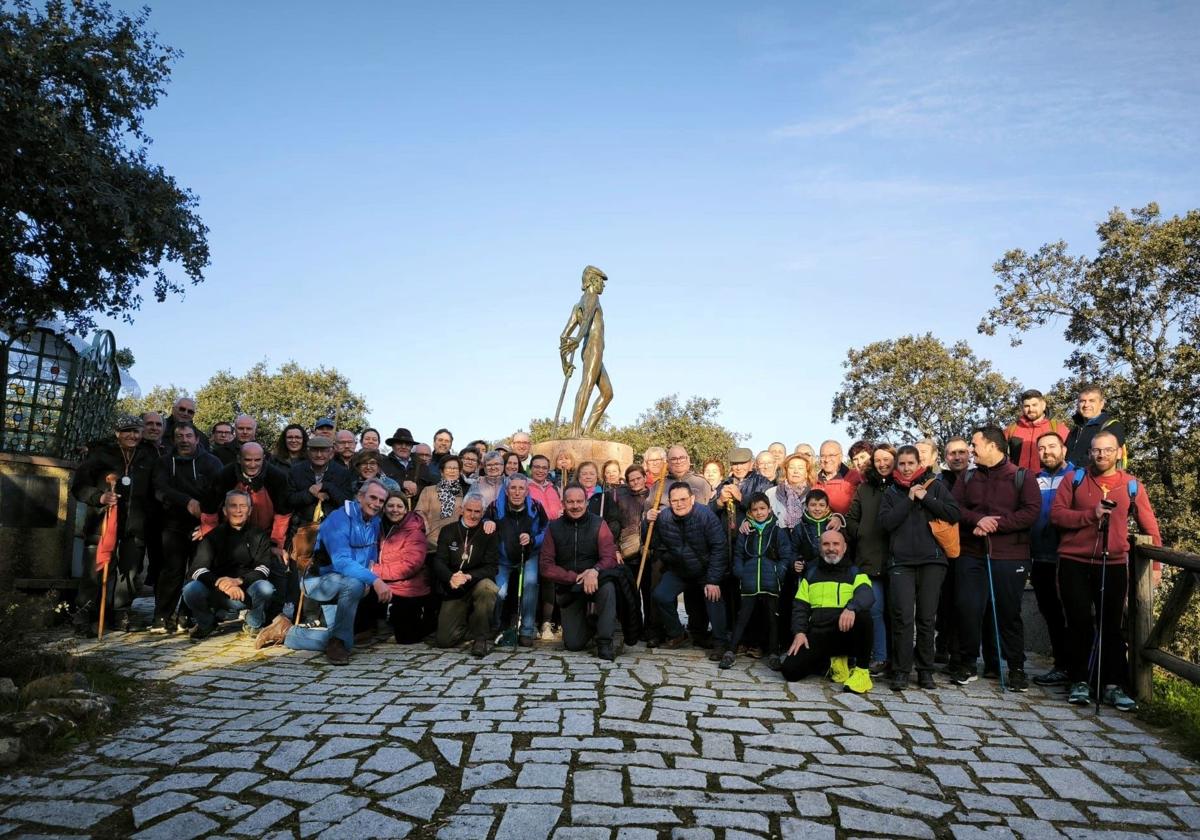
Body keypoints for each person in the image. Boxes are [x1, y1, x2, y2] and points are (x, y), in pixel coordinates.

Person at [1051, 431, 1160, 710]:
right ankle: (1079, 681)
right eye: (1097, 450)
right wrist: (1091, 515)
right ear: (1089, 453)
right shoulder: (1073, 480)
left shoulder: (1132, 485)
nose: (1102, 455)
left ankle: (1114, 685)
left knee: (1111, 626)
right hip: (1074, 562)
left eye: (1108, 450)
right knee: (1078, 623)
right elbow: (1058, 515)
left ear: (1119, 452)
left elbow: (1150, 528)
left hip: (1112, 563)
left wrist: (1156, 567)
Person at [255, 480, 390, 665]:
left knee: (347, 635)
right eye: (372, 497)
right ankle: (339, 643)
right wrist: (373, 580)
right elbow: (341, 562)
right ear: (360, 496)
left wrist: (367, 577)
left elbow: (371, 554)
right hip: (318, 580)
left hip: (346, 585)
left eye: (381, 501)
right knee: (353, 590)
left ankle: (287, 632)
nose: (376, 504)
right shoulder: (339, 518)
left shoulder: (375, 521)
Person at [947, 425, 1041, 690]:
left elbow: (1031, 512)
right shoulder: (967, 477)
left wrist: (995, 524)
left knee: (1008, 612)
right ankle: (967, 662)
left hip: (1010, 555)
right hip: (972, 554)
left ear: (992, 445)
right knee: (967, 607)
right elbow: (955, 508)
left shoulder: (1022, 476)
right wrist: (978, 519)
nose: (971, 450)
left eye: (975, 445)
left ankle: (1016, 667)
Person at [878, 445, 960, 691]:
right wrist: (909, 499)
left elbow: (954, 513)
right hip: (900, 562)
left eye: (910, 463)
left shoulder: (935, 486)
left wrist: (926, 498)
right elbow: (886, 523)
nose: (905, 468)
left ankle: (925, 671)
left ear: (918, 464)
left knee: (926, 618)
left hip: (932, 561)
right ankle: (902, 671)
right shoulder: (891, 492)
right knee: (902, 618)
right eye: (901, 464)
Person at [71, 414, 159, 636]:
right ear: (117, 433)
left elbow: (155, 489)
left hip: (136, 524)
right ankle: (84, 615)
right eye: (127, 430)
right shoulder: (100, 455)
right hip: (102, 523)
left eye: (136, 431)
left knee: (129, 573)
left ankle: (120, 613)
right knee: (96, 571)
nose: (132, 435)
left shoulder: (148, 455)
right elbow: (79, 487)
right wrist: (99, 497)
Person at [780, 530, 874, 694]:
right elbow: (800, 606)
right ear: (820, 548)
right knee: (790, 671)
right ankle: (834, 662)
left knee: (863, 615)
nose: (831, 548)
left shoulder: (855, 572)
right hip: (819, 633)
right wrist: (799, 633)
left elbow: (867, 594)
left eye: (836, 544)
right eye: (826, 544)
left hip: (844, 631)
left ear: (844, 548)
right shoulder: (810, 573)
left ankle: (862, 673)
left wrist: (851, 608)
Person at [151, 422, 222, 634]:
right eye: (180, 436)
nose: (184, 440)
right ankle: (162, 616)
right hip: (172, 523)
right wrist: (186, 501)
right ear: (174, 439)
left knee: (196, 571)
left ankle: (186, 615)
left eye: (189, 436)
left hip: (202, 524)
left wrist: (207, 519)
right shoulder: (164, 462)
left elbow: (218, 492)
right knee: (171, 570)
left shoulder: (211, 462)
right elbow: (160, 488)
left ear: (197, 439)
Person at [646, 482, 729, 658]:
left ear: (692, 499)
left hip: (705, 571)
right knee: (661, 595)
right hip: (679, 569)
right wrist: (648, 522)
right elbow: (653, 542)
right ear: (669, 502)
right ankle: (677, 633)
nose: (679, 503)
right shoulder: (664, 517)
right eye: (674, 500)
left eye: (683, 499)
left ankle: (720, 642)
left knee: (714, 597)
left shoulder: (705, 516)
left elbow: (719, 548)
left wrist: (713, 580)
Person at [539, 484, 622, 658]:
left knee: (608, 589)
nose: (575, 506)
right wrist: (575, 577)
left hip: (597, 580)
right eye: (570, 502)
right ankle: (592, 624)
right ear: (563, 503)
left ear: (586, 502)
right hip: (570, 587)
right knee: (573, 644)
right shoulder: (553, 527)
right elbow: (546, 565)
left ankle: (605, 641)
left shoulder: (599, 524)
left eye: (579, 501)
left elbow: (609, 557)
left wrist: (595, 571)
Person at [183, 490, 276, 641]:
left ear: (250, 510)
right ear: (225, 511)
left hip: (246, 591)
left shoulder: (260, 535)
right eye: (233, 506)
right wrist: (220, 583)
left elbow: (263, 568)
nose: (238, 511)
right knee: (190, 589)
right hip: (217, 591)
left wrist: (238, 581)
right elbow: (197, 569)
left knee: (266, 588)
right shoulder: (212, 536)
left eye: (243, 506)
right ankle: (206, 623)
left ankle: (253, 623)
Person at [724, 492, 795, 671]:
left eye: (763, 508)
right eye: (755, 509)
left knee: (772, 618)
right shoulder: (746, 531)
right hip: (749, 581)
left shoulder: (777, 531)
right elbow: (739, 554)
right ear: (750, 512)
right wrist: (740, 572)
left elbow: (786, 556)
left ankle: (773, 653)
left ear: (770, 509)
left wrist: (779, 571)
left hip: (771, 582)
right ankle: (731, 651)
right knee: (742, 617)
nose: (759, 513)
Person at [846, 443, 895, 676]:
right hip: (868, 556)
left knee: (898, 612)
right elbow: (852, 518)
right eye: (878, 460)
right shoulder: (864, 489)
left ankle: (898, 658)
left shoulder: (900, 486)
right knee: (874, 608)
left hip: (897, 558)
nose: (882, 464)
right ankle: (879, 656)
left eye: (887, 460)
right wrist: (861, 531)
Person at [431, 494, 500, 656]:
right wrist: (450, 577)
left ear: (483, 513)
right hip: (454, 586)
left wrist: (469, 576)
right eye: (469, 510)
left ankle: (481, 638)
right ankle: (470, 626)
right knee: (444, 641)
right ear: (461, 509)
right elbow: (439, 561)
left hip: (476, 583)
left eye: (477, 511)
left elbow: (492, 567)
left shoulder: (488, 532)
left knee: (488, 587)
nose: (473, 515)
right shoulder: (448, 530)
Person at [485, 473, 548, 647]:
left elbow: (546, 529)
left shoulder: (536, 507)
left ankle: (527, 630)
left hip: (529, 555)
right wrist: (487, 523)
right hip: (503, 557)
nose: (517, 492)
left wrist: (533, 539)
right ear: (506, 491)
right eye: (513, 488)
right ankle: (496, 627)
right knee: (499, 592)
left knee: (530, 584)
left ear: (527, 491)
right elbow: (484, 520)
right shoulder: (494, 507)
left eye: (521, 488)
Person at [205, 442, 292, 557]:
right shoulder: (225, 475)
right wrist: (209, 537)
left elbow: (283, 514)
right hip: (229, 534)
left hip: (265, 534)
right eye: (247, 460)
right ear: (239, 459)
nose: (252, 465)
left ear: (264, 459)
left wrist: (275, 544)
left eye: (257, 460)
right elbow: (210, 508)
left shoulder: (277, 477)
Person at [559, 265, 612, 437]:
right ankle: (575, 431)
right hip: (593, 347)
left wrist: (564, 363)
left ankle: (586, 431)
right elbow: (588, 318)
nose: (603, 286)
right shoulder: (592, 297)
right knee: (587, 385)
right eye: (601, 282)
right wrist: (579, 338)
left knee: (607, 393)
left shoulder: (578, 305)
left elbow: (563, 336)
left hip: (589, 349)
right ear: (593, 281)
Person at [375, 492, 434, 644]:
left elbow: (410, 566)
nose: (395, 510)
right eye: (391, 506)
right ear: (384, 508)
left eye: (399, 506)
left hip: (408, 588)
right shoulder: (379, 527)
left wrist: (375, 570)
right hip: (384, 584)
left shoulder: (414, 532)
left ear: (406, 509)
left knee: (406, 638)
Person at [934, 435, 972, 665]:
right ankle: (943, 644)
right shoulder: (940, 480)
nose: (957, 457)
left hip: (970, 546)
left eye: (961, 452)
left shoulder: (977, 477)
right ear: (945, 457)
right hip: (945, 547)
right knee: (944, 600)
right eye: (952, 453)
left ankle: (959, 652)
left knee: (963, 601)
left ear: (968, 454)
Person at [1064, 384, 1126, 470]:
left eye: (1091, 401)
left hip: (1093, 480)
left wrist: (1073, 471)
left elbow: (1104, 458)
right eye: (1082, 401)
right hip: (1069, 480)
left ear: (1101, 404)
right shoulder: (1076, 429)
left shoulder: (1112, 426)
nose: (1086, 405)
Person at [1004, 389, 1067, 473]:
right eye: (1027, 406)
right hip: (1018, 481)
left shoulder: (1058, 428)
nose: (1031, 409)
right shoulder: (1011, 429)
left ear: (1043, 405)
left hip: (1048, 480)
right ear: (1022, 407)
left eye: (1034, 405)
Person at [415, 455, 466, 551]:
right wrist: (425, 528)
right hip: (431, 542)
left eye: (455, 468)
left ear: (459, 472)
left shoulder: (464, 493)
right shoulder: (429, 490)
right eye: (448, 468)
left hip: (455, 544)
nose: (452, 471)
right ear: (442, 472)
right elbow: (419, 512)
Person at [379, 427, 436, 506]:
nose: (404, 446)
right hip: (390, 513)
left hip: (415, 514)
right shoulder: (383, 464)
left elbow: (431, 489)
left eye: (407, 444)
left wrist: (417, 489)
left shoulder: (422, 466)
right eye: (399, 443)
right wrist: (400, 484)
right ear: (392, 446)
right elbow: (378, 484)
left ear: (412, 447)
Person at [766, 453, 815, 529]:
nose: (796, 471)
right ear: (786, 471)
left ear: (806, 473)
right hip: (778, 538)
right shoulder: (771, 493)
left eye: (800, 468)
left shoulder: (814, 494)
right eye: (791, 467)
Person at [815, 440, 862, 515]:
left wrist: (841, 519)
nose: (826, 460)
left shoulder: (856, 477)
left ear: (840, 457)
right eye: (823, 456)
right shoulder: (813, 481)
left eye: (831, 455)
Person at [526, 455, 563, 521]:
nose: (540, 471)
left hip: (556, 530)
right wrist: (553, 515)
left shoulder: (555, 488)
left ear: (548, 470)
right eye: (537, 467)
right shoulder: (524, 488)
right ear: (530, 468)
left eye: (544, 468)